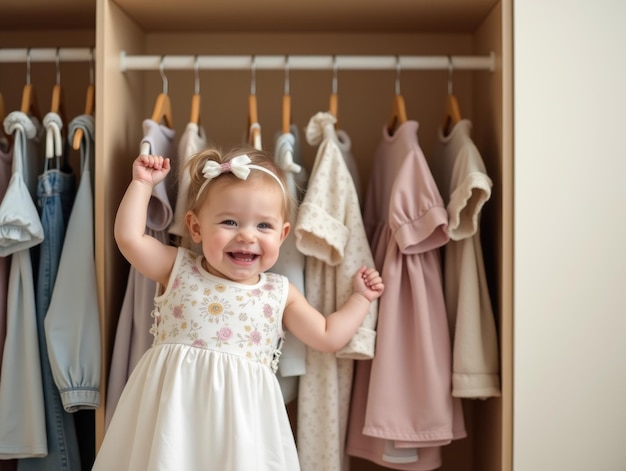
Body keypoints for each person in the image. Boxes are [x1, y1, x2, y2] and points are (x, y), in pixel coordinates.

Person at [92, 146, 384, 471]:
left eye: (263, 226)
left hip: (241, 427)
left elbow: (328, 336)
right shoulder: (178, 268)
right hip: (174, 411)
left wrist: (360, 299)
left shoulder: (279, 293)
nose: (246, 235)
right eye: (230, 222)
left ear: (283, 234)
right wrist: (143, 184)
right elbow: (129, 239)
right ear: (196, 227)